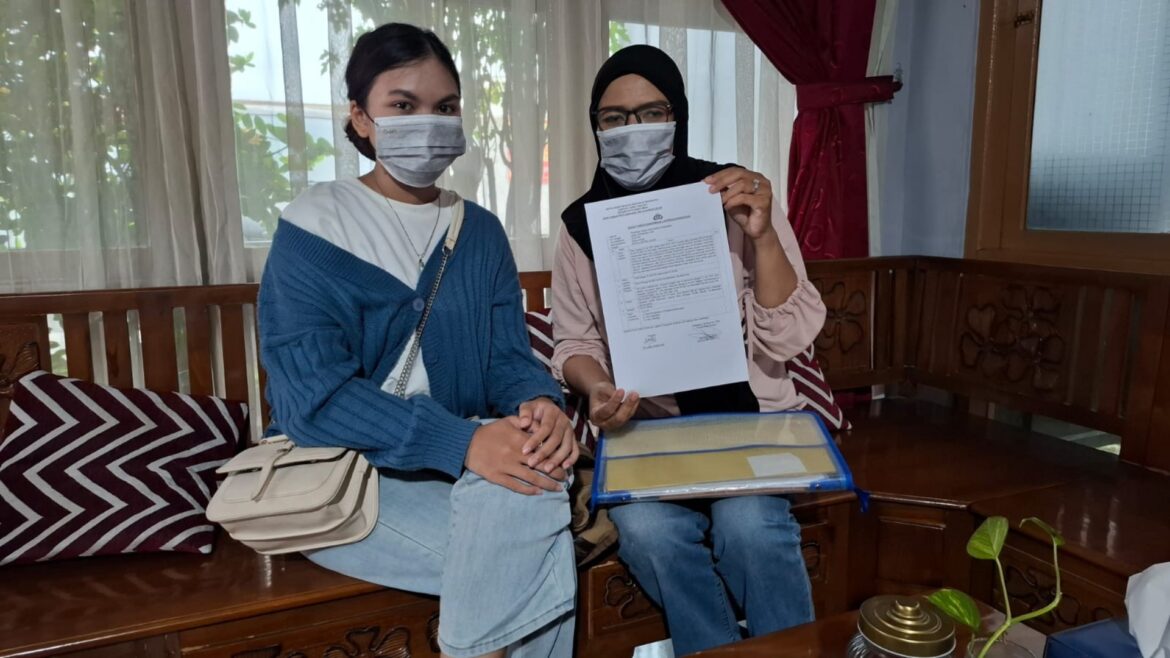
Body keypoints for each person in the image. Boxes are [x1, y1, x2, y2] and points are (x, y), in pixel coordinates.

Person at [258, 23, 578, 658]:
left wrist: (540, 404)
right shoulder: (314, 226)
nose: (427, 123)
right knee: (539, 539)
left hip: (462, 471)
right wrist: (462, 442)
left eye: (445, 107)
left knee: (532, 493)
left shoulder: (479, 231)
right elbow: (311, 401)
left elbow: (507, 361)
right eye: (403, 105)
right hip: (340, 478)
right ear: (361, 116)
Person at [551, 45, 828, 656]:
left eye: (652, 113)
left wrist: (763, 237)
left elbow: (789, 339)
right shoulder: (580, 226)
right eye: (614, 118)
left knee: (750, 526)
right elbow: (574, 340)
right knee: (648, 532)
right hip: (652, 436)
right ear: (595, 127)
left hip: (750, 425)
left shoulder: (735, 196)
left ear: (677, 116)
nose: (633, 130)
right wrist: (597, 388)